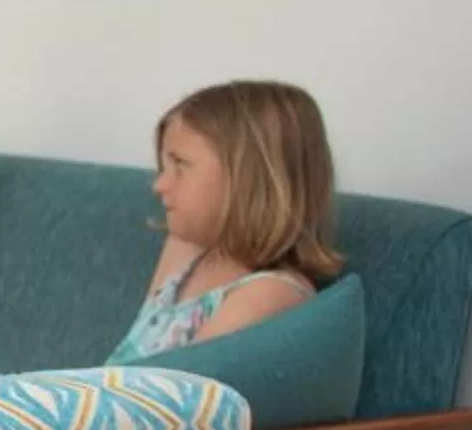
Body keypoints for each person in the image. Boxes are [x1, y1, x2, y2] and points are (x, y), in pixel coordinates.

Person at [112, 80, 342, 358]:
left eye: (181, 165)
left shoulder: (271, 294)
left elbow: (179, 390)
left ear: (248, 182)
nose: (159, 185)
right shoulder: (188, 249)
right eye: (165, 166)